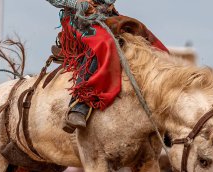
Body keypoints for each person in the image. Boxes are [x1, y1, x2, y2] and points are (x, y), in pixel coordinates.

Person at [46, 0, 167, 133]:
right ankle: (79, 105)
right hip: (78, 17)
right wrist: (79, 4)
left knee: (147, 37)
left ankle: (166, 105)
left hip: (106, 14)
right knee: (105, 42)